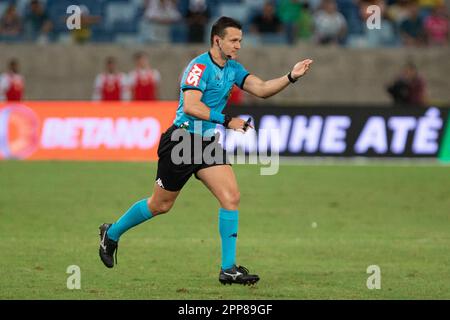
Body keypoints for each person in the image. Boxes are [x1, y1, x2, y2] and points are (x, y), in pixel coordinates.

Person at [98, 16, 313, 285]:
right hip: (182, 140)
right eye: (234, 40)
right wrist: (227, 120)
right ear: (217, 40)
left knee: (231, 197)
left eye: (240, 41)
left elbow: (261, 88)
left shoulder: (233, 69)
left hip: (207, 144)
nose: (238, 46)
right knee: (160, 205)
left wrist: (291, 76)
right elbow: (191, 106)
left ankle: (228, 269)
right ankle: (112, 233)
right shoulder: (199, 67)